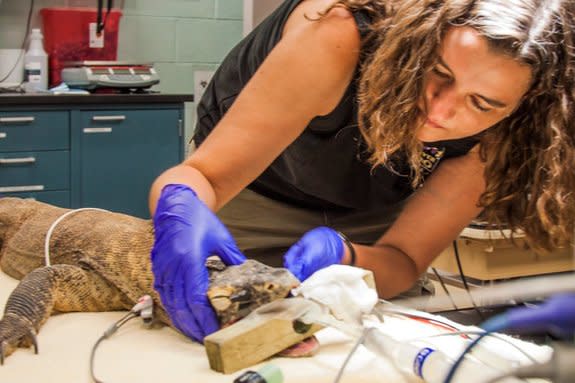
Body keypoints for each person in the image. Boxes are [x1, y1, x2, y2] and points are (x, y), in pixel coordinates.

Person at [148, 0, 575, 343]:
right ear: (418, 40)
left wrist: (347, 256)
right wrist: (180, 210)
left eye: (481, 103)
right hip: (251, 197)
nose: (441, 110)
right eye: (437, 74)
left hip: (371, 224)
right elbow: (202, 176)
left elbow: (405, 258)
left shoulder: (513, 125)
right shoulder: (339, 31)